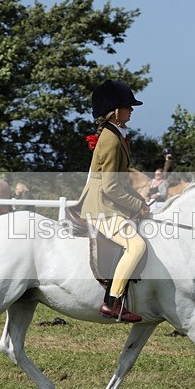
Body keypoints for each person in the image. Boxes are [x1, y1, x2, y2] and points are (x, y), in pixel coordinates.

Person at [75, 79, 148, 323]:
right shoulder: (110, 140)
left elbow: (121, 181)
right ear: (115, 111)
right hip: (101, 207)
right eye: (128, 106)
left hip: (108, 202)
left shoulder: (116, 135)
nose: (132, 110)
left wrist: (140, 200)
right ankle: (113, 302)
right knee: (136, 246)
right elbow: (111, 186)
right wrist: (136, 205)